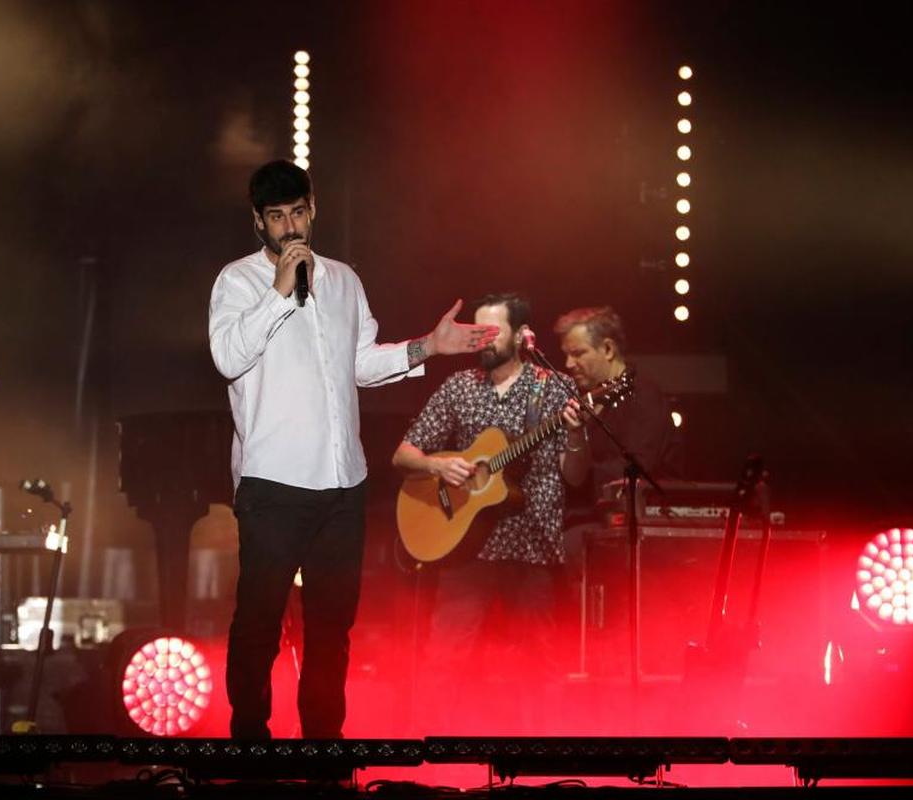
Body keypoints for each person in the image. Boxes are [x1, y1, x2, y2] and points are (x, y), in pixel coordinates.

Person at [208, 160, 497, 739]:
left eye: (297, 212)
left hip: (342, 484)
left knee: (332, 627)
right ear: (258, 224)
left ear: (313, 209)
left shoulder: (343, 280)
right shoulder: (237, 282)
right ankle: (248, 747)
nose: (289, 226)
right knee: (260, 622)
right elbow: (227, 358)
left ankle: (324, 748)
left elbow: (361, 364)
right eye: (275, 217)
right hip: (273, 483)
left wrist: (428, 347)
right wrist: (280, 293)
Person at [391, 293, 588, 726]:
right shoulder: (458, 387)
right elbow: (402, 455)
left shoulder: (552, 387)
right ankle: (432, 757)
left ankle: (539, 765)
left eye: (492, 331)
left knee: (540, 666)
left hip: (533, 544)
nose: (482, 340)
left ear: (521, 336)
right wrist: (437, 464)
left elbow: (574, 477)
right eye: (477, 331)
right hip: (465, 549)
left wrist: (575, 437)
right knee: (445, 660)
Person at [552, 305, 681, 516]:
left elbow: (639, 465)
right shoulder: (586, 400)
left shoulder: (643, 393)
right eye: (566, 355)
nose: (568, 363)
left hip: (642, 518)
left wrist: (561, 477)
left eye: (577, 353)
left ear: (608, 349)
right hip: (592, 514)